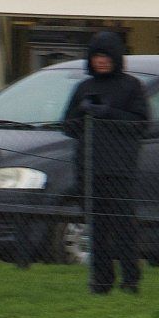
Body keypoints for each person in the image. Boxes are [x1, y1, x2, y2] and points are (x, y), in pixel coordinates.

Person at [61, 31, 149, 295]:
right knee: (96, 228)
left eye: (106, 57)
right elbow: (68, 125)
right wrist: (82, 112)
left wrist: (108, 113)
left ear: (116, 58)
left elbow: (140, 123)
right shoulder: (84, 88)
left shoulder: (131, 86)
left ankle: (130, 279)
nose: (101, 62)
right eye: (97, 56)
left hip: (120, 169)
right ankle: (100, 280)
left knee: (123, 227)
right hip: (89, 170)